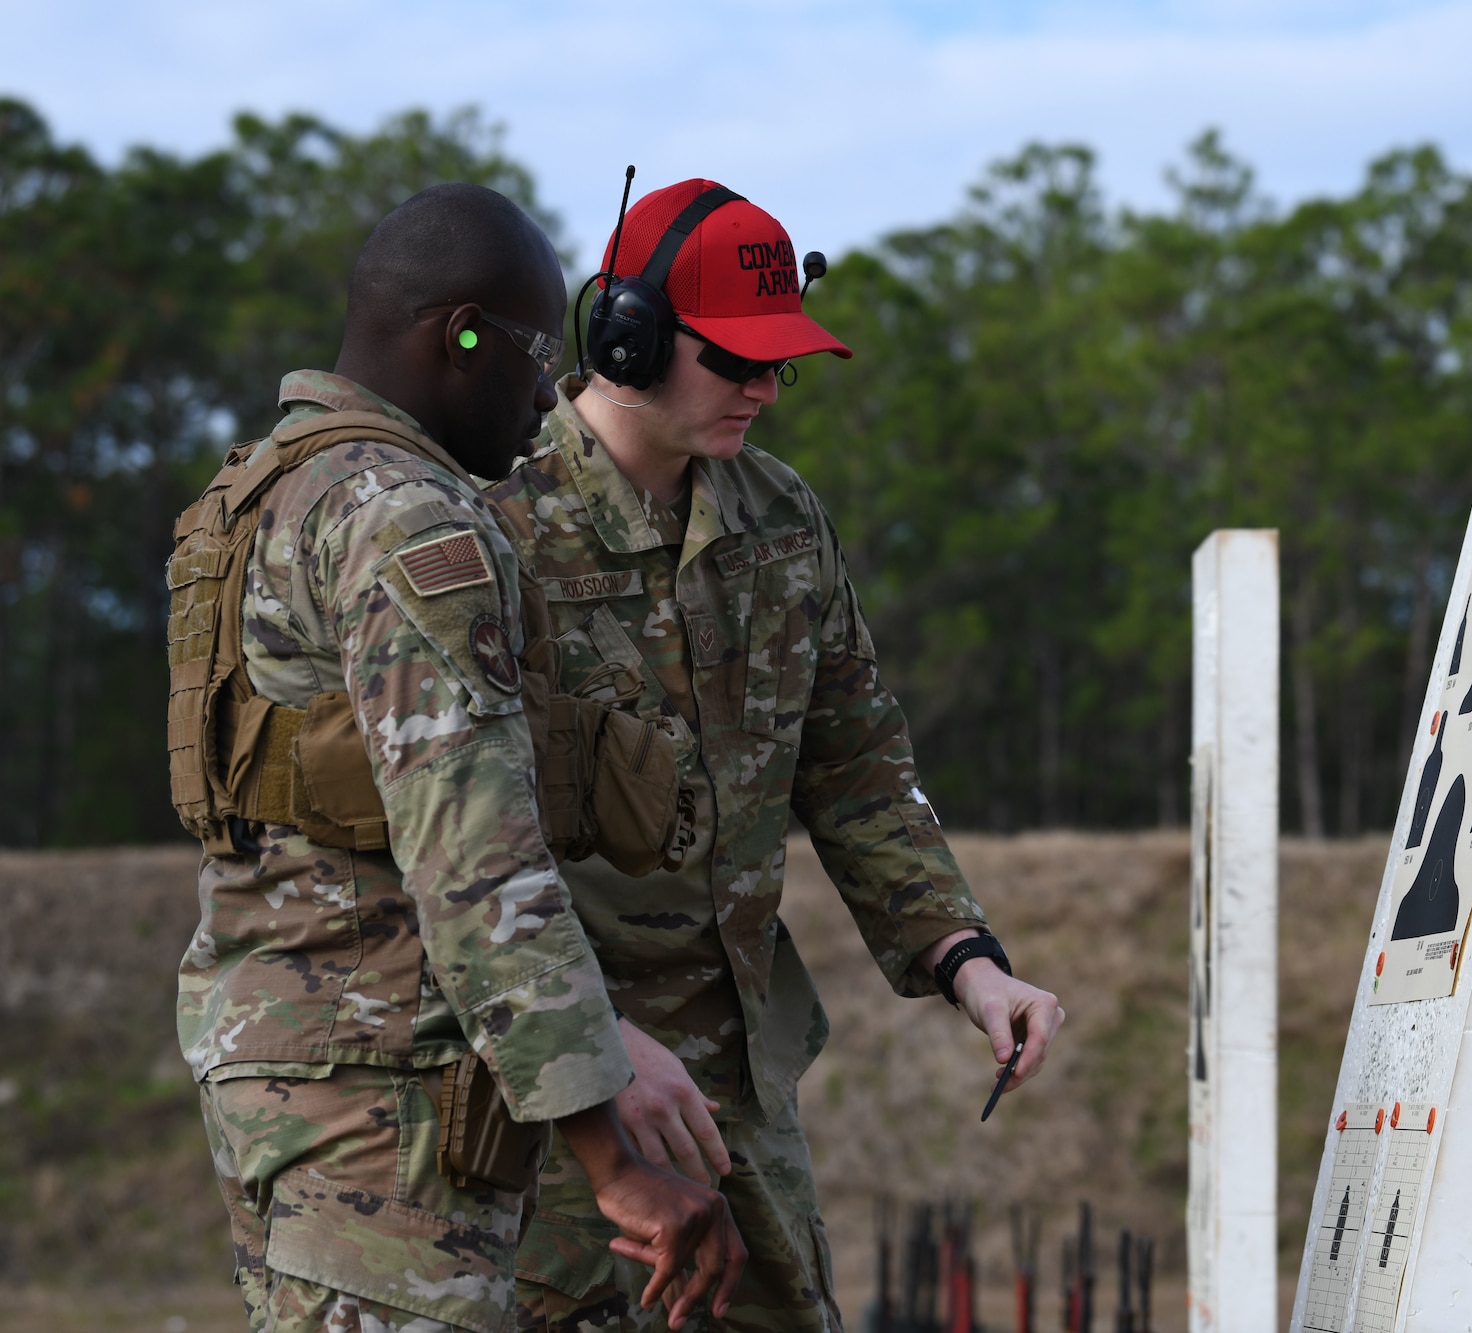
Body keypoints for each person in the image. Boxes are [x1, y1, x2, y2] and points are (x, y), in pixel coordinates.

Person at [485, 179, 1065, 1332]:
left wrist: (966, 958)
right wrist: (580, 1043)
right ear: (627, 339)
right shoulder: (491, 521)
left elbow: (853, 763)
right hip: (554, 1095)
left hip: (738, 1090)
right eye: (735, 359)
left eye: (778, 365)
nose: (762, 389)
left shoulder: (781, 518)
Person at [168, 183, 745, 1333]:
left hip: (289, 1068)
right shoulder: (406, 516)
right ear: (459, 335)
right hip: (387, 1108)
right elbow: (475, 852)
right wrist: (612, 1154)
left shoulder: (262, 491)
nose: (550, 393)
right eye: (535, 357)